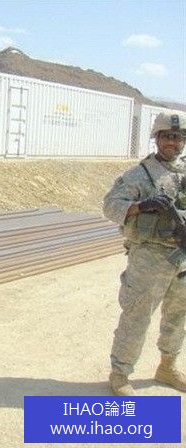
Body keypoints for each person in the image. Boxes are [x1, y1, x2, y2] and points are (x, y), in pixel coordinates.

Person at [104, 110, 186, 396]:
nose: (173, 142)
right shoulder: (140, 174)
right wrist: (141, 206)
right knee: (137, 316)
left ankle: (167, 366)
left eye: (178, 137)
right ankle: (120, 374)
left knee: (178, 316)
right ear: (156, 138)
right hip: (149, 257)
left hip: (182, 258)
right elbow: (110, 206)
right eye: (167, 136)